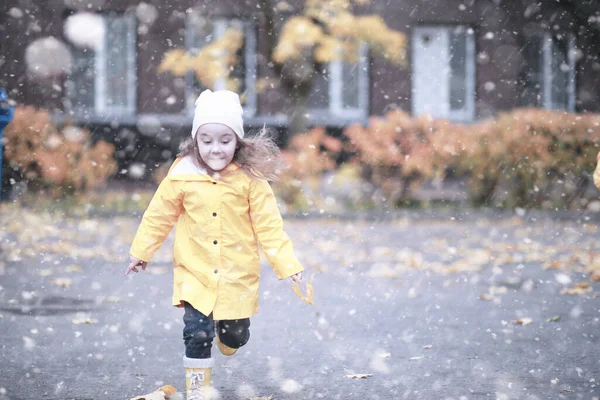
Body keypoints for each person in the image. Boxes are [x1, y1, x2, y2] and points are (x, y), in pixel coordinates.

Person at [125, 89, 304, 400]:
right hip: (195, 272)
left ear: (237, 141)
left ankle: (231, 337)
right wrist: (141, 253)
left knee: (235, 335)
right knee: (196, 332)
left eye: (225, 140)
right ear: (196, 141)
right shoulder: (182, 175)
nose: (215, 149)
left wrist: (288, 266)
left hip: (236, 274)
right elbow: (158, 216)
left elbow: (269, 226)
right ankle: (198, 390)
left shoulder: (250, 180)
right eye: (206, 140)